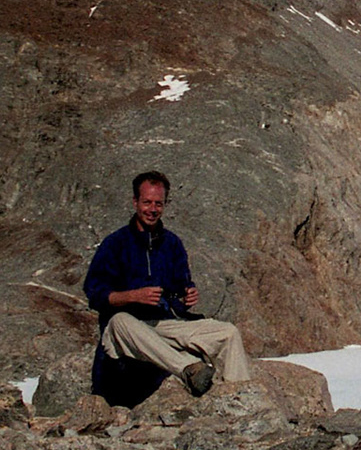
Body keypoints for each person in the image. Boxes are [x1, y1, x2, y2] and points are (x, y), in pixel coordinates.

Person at [84, 171, 251, 400]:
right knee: (120, 321)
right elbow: (95, 294)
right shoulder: (115, 244)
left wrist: (186, 297)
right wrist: (132, 296)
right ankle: (189, 369)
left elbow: (180, 289)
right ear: (135, 202)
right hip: (126, 332)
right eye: (147, 202)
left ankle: (240, 400)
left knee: (227, 333)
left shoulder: (172, 244)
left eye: (158, 204)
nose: (152, 209)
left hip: (163, 325)